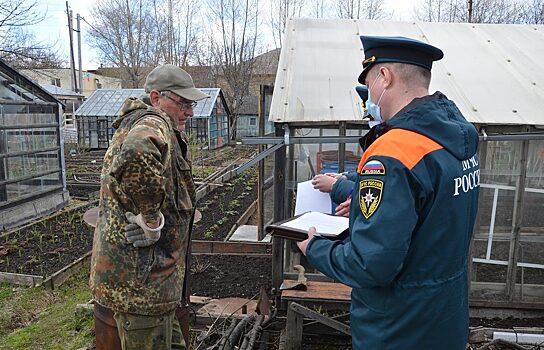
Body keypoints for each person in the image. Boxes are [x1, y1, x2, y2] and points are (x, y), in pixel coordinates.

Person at [298, 36, 480, 349]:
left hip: (398, 327)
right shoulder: (458, 139)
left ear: (385, 77)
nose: (368, 98)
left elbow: (371, 265)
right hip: (445, 319)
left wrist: (314, 248)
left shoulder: (392, 153)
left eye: (368, 85)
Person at [90, 64, 209, 350]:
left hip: (155, 285)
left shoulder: (152, 122)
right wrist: (151, 219)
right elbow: (136, 152)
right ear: (156, 98)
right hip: (140, 285)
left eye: (191, 104)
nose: (190, 112)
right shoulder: (152, 122)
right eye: (183, 103)